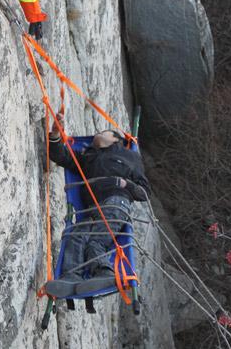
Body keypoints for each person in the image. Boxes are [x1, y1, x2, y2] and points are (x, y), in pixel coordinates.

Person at [44, 113, 151, 298]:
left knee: (97, 239)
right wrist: (55, 135)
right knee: (75, 234)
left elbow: (144, 192)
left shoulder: (129, 156)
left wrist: (126, 184)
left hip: (116, 201)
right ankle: (70, 276)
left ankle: (104, 272)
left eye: (103, 132)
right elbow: (61, 156)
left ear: (115, 139)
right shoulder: (88, 156)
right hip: (93, 208)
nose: (97, 134)